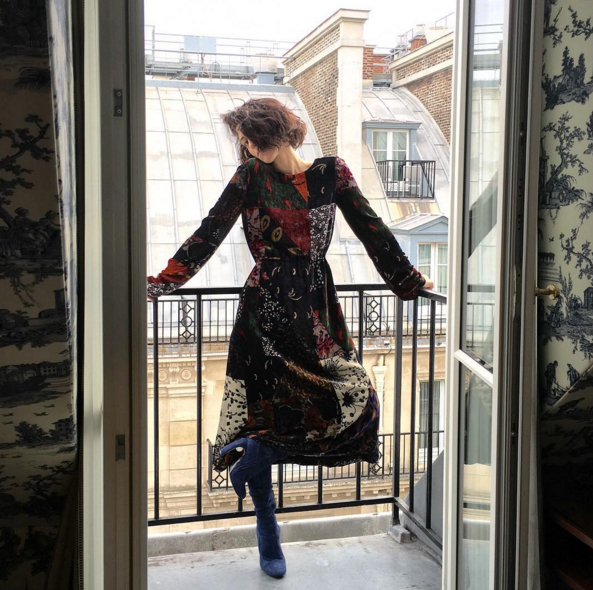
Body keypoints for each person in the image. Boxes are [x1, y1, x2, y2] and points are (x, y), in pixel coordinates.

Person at [147, 98, 434, 578]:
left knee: (359, 397)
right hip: (264, 310)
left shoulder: (331, 173)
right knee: (262, 414)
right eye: (242, 139)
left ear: (278, 131)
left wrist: (408, 280)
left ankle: (260, 453)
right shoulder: (249, 177)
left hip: (316, 306)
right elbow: (208, 234)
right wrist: (162, 282)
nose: (246, 145)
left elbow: (373, 230)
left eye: (252, 136)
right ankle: (268, 533)